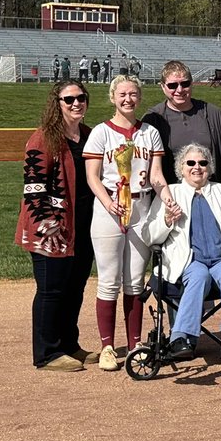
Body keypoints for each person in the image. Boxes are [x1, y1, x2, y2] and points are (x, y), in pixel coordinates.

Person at [84, 75, 173, 371]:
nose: (128, 99)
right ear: (112, 97)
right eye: (122, 94)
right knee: (109, 280)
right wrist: (109, 203)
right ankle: (107, 346)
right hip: (110, 206)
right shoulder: (101, 132)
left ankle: (135, 344)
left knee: (135, 280)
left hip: (141, 206)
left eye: (133, 94)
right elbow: (92, 176)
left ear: (139, 97)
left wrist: (168, 196)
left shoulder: (149, 133)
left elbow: (156, 174)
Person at [139, 144, 221, 361]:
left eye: (203, 163)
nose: (197, 167)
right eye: (190, 163)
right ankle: (180, 338)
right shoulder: (170, 194)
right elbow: (149, 235)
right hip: (189, 261)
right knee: (199, 275)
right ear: (181, 168)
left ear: (209, 168)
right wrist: (166, 220)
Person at [15, 81, 97, 371]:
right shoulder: (43, 139)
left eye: (81, 98)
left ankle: (69, 345)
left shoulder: (90, 136)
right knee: (51, 290)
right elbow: (34, 190)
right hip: (52, 229)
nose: (76, 103)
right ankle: (47, 353)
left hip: (83, 228)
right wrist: (49, 225)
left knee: (75, 289)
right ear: (57, 103)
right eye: (69, 99)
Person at [143, 60, 221, 195]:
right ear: (163, 86)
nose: (179, 90)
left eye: (185, 84)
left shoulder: (212, 114)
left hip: (210, 196)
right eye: (172, 85)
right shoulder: (153, 119)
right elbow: (144, 166)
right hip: (171, 200)